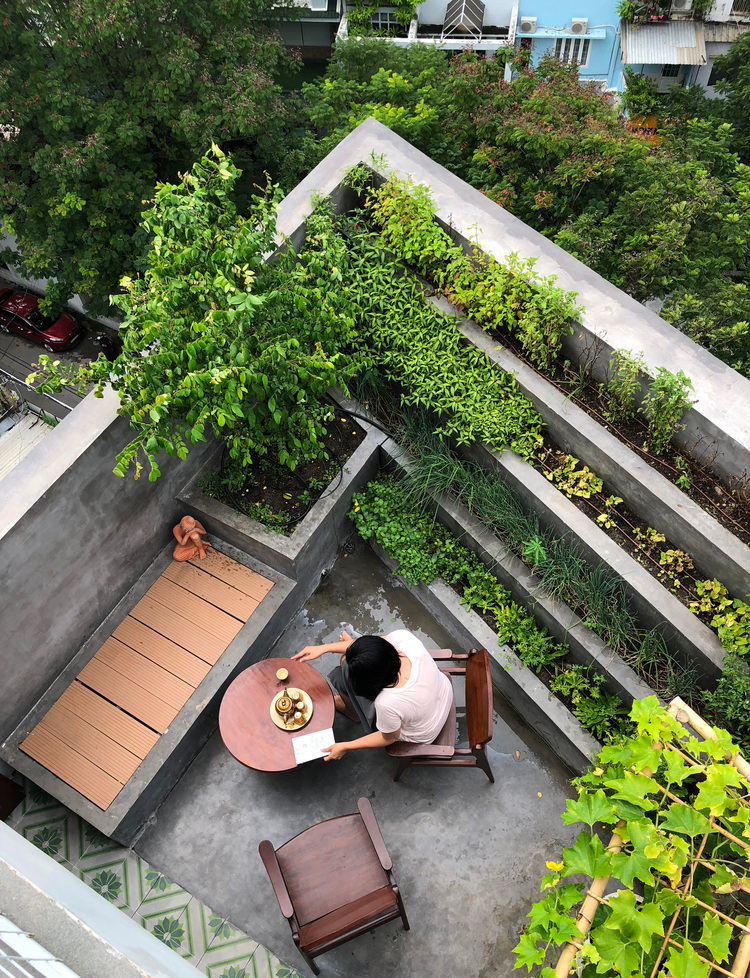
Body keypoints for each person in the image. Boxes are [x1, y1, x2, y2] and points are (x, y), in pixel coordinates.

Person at [293, 628, 453, 762]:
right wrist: (324, 647)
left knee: (344, 672)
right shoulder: (404, 639)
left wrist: (345, 746)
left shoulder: (388, 702)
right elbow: (380, 643)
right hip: (443, 691)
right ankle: (355, 660)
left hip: (422, 733)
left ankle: (352, 710)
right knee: (346, 664)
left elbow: (389, 737)